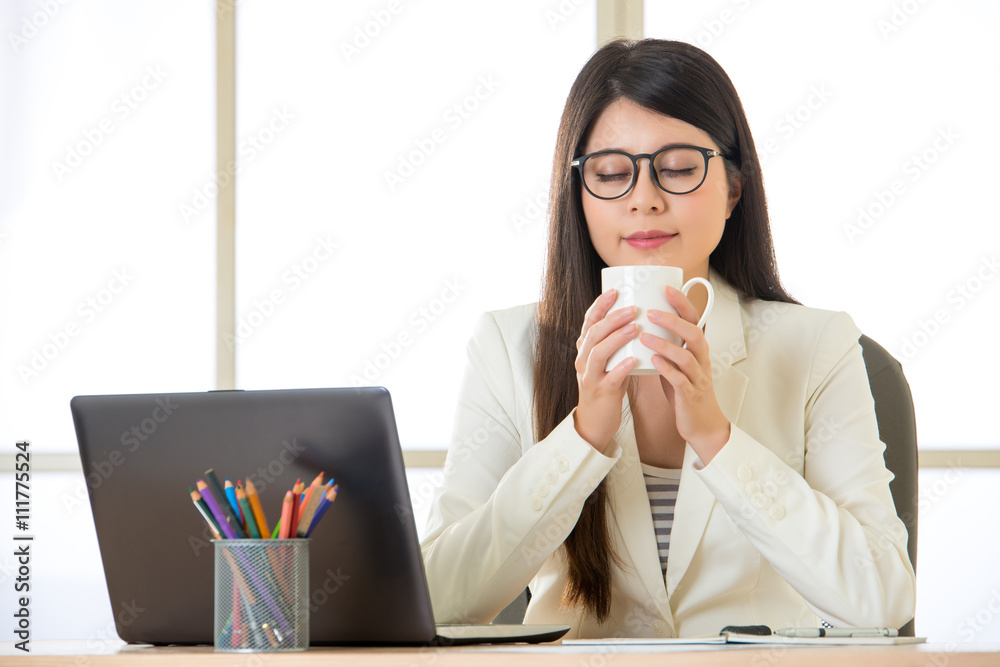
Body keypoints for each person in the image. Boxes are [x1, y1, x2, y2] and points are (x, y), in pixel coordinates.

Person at [420, 38, 915, 639]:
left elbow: (881, 599)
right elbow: (441, 598)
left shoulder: (816, 346)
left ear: (734, 188)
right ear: (577, 195)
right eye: (610, 174)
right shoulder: (510, 344)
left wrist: (717, 439)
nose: (644, 199)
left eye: (679, 168)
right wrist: (583, 437)